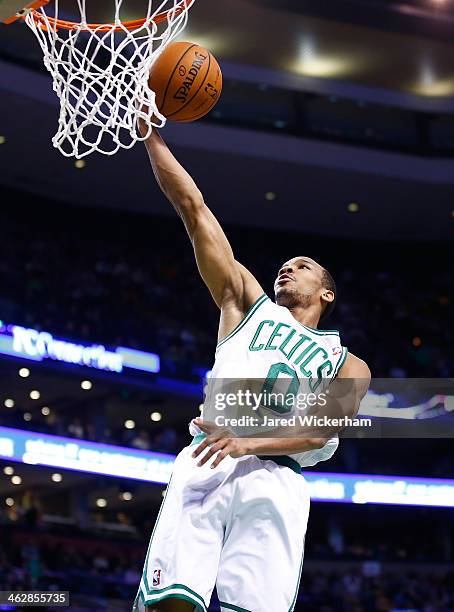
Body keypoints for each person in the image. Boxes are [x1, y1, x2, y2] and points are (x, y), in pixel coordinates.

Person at [133, 127, 371, 612]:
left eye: (302, 266)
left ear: (327, 293)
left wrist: (250, 443)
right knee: (170, 604)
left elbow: (318, 431)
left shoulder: (352, 366)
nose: (288, 269)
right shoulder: (245, 304)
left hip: (276, 481)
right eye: (284, 265)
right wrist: (150, 137)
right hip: (208, 460)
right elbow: (193, 208)